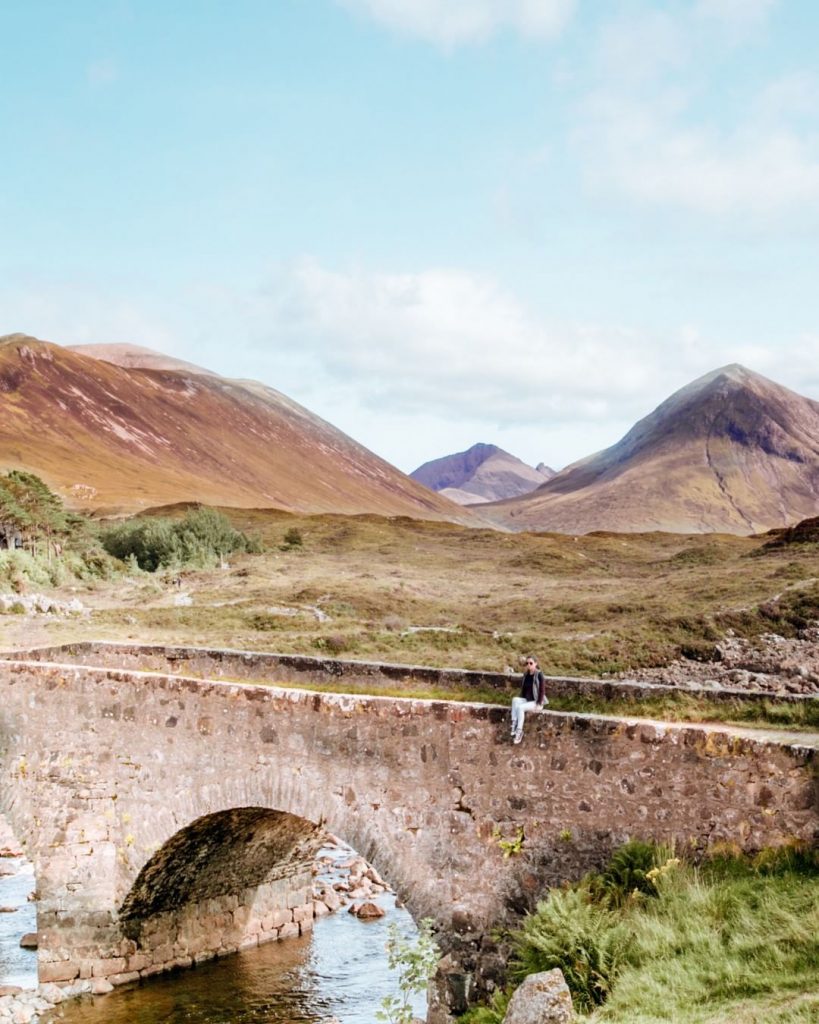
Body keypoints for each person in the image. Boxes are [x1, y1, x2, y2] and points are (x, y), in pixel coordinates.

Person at [510, 656, 548, 744]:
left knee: (520, 708)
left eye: (531, 663)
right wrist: (521, 698)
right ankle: (514, 724)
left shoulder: (539, 674)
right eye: (527, 663)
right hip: (527, 700)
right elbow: (523, 689)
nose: (529, 665)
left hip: (536, 702)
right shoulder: (526, 675)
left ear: (535, 664)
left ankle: (519, 732)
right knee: (515, 700)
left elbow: (542, 690)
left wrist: (539, 703)